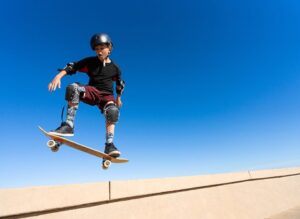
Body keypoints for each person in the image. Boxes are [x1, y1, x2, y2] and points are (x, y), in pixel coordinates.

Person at [48, 33, 125, 157]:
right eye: (97, 49)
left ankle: (109, 145)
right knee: (73, 88)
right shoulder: (90, 62)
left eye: (102, 49)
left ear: (109, 47)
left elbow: (120, 84)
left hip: (107, 97)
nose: (99, 52)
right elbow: (73, 66)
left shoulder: (115, 68)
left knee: (112, 111)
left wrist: (118, 98)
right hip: (92, 91)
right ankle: (68, 125)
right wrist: (59, 76)